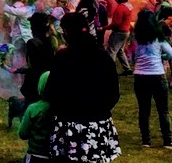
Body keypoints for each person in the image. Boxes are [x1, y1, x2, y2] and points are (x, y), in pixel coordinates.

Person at [44, 12, 121, 162]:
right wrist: (99, 111)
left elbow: (50, 92)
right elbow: (113, 94)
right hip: (97, 124)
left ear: (66, 32)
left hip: (68, 126)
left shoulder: (62, 58)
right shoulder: (103, 57)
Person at [132, 9, 172, 149]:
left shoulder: (136, 39)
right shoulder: (159, 39)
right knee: (163, 110)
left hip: (140, 76)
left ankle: (146, 140)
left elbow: (133, 57)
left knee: (144, 110)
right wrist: (160, 56)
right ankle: (167, 141)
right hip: (157, 75)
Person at [18, 71, 53, 163]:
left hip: (34, 155)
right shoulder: (63, 109)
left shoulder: (33, 108)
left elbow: (22, 134)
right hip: (54, 155)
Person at [20, 12, 55, 105]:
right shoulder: (52, 40)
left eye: (32, 25)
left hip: (35, 83)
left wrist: (22, 70)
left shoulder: (32, 43)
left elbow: (35, 68)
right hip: (48, 82)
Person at [103, 0, 134, 76]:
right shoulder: (128, 6)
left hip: (119, 32)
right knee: (120, 51)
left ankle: (109, 71)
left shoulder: (120, 8)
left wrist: (104, 28)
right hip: (126, 32)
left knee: (111, 51)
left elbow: (116, 23)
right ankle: (127, 69)